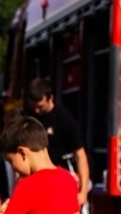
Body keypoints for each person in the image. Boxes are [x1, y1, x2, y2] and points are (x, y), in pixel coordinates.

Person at [28, 76, 90, 206]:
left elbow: (80, 155)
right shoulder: (29, 117)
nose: (37, 111)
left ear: (50, 98)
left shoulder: (64, 119)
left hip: (61, 180)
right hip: (36, 181)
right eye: (34, 107)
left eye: (41, 107)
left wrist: (83, 191)